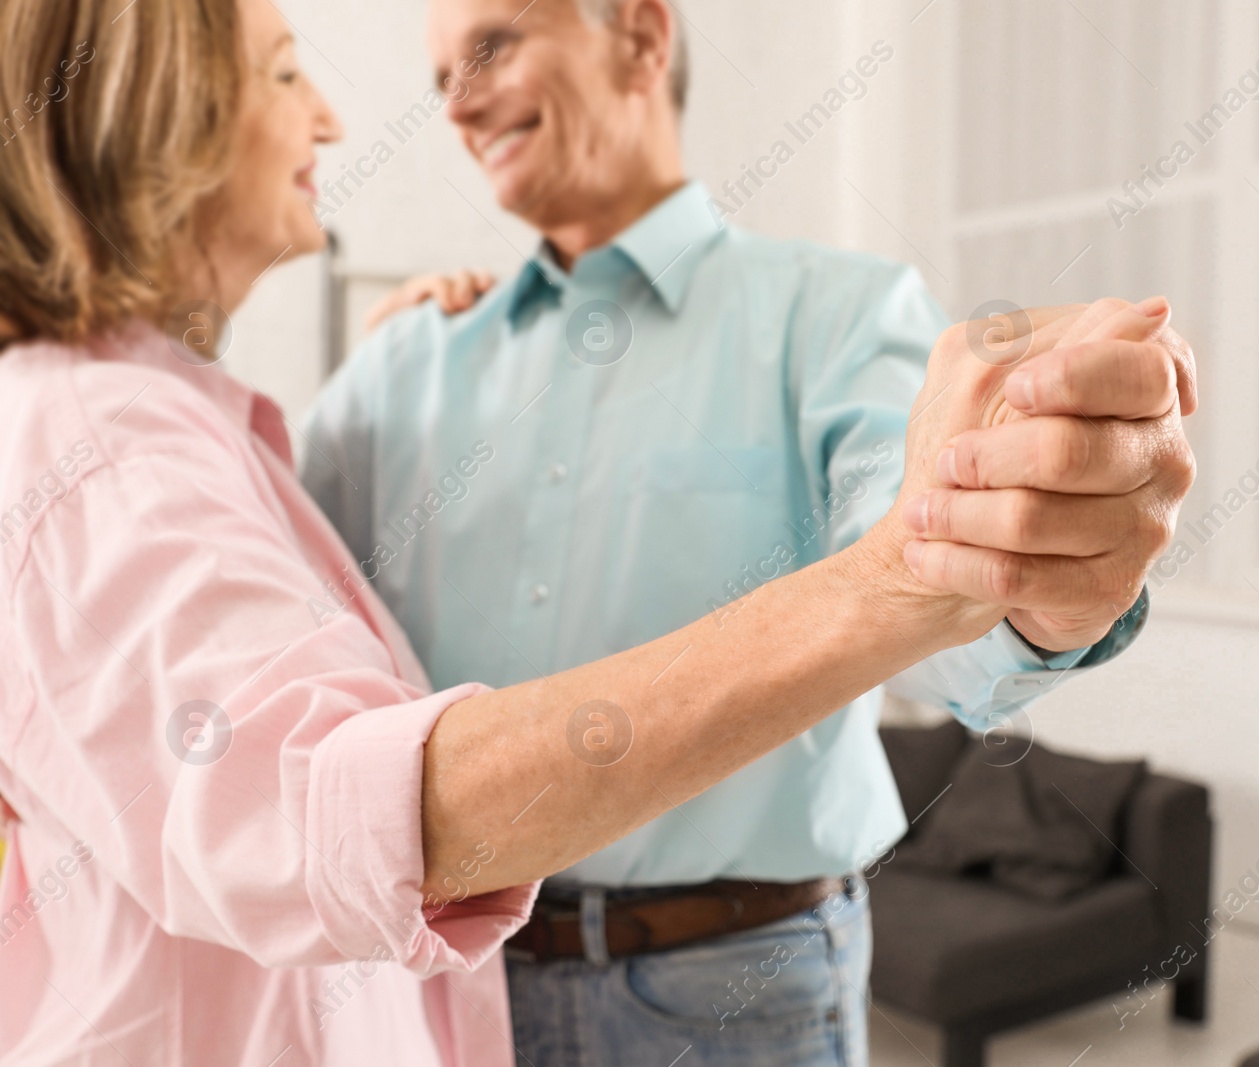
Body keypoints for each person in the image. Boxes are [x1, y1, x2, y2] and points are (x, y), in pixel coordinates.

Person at [0, 0, 1193, 1064]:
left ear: (639, 31)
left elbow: (945, 606)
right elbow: (230, 664)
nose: (456, 103)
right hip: (445, 986)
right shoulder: (394, 367)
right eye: (437, 79)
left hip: (734, 982)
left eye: (495, 42)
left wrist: (1040, 571)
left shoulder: (837, 314)